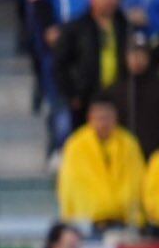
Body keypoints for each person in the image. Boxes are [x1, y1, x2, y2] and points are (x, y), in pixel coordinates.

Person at [55, 97, 145, 230]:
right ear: (90, 118)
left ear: (115, 118)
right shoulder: (76, 145)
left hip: (124, 219)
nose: (103, 123)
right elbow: (68, 183)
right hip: (88, 221)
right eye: (99, 118)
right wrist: (69, 218)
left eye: (107, 118)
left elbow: (138, 179)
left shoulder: (129, 143)